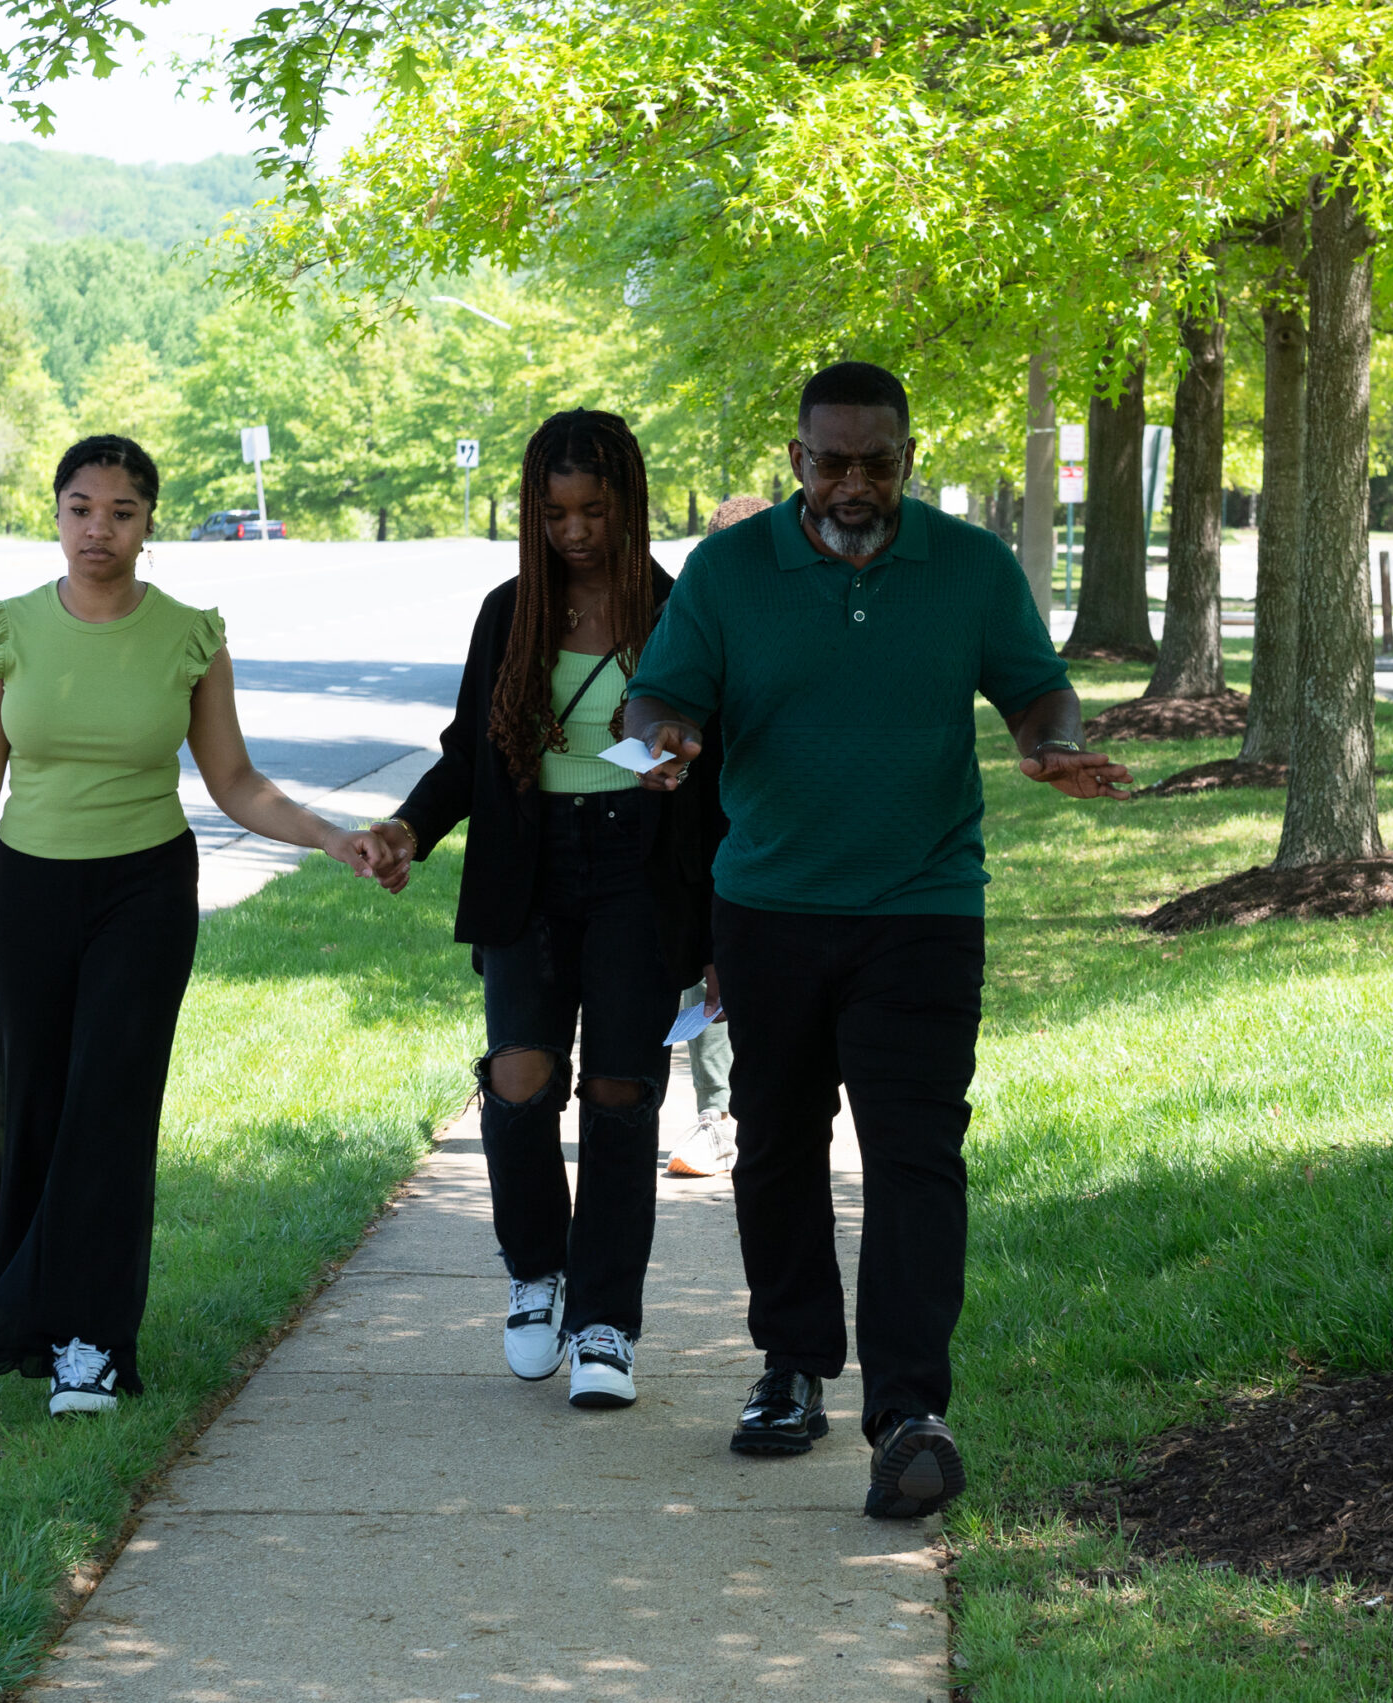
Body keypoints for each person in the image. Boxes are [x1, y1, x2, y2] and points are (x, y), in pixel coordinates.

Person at [624, 363, 1128, 1519]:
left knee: (914, 1153)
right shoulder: (730, 570)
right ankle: (790, 1368)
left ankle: (908, 1410)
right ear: (794, 458)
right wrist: (664, 739)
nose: (855, 483)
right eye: (831, 460)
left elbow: (1036, 691)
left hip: (923, 905)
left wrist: (1048, 744)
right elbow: (659, 697)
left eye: (878, 461)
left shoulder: (968, 568)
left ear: (909, 454)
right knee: (781, 1142)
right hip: (771, 904)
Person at [0, 434, 382, 1420]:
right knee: (38, 1098)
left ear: (149, 521)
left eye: (121, 511)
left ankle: (94, 1339)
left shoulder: (189, 635)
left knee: (109, 1106)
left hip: (144, 891)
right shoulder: (7, 629)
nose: (98, 529)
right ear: (56, 510)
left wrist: (329, 835)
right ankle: (37, 1307)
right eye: (81, 507)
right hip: (32, 889)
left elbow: (236, 779)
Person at [347, 409, 722, 1411]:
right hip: (529, 868)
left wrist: (723, 928)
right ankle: (535, 1273)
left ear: (629, 504)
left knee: (619, 1092)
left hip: (640, 873)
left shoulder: (676, 610)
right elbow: (469, 756)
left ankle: (606, 1320)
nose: (575, 530)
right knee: (518, 1079)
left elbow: (721, 775)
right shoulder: (507, 612)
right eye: (554, 513)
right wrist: (406, 832)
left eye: (594, 509)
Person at [662, 494, 770, 1181]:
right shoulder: (689, 622)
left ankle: (751, 1112)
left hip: (779, 831)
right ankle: (718, 1115)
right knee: (710, 972)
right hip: (705, 832)